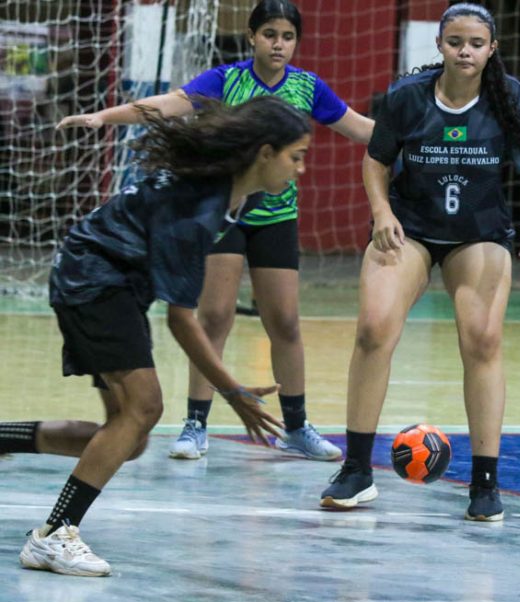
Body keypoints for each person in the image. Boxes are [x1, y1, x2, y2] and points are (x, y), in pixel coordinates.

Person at [0, 95, 309, 576]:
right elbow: (182, 320)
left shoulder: (229, 193)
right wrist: (234, 392)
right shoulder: (201, 209)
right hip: (95, 281)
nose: (301, 169)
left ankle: (3, 438)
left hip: (106, 280)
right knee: (145, 408)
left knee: (131, 435)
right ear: (265, 153)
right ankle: (54, 536)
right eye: (296, 156)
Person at [57, 0, 374, 462]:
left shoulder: (309, 87)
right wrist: (106, 116)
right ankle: (195, 423)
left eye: (287, 36)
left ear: (297, 42)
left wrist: (423, 134)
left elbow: (363, 130)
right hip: (226, 218)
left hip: (276, 218)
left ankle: (297, 425)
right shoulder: (227, 80)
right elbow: (169, 105)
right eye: (269, 34)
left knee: (284, 321)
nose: (278, 44)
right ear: (252, 36)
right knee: (213, 317)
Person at [317, 3, 520, 521]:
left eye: (475, 43)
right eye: (455, 42)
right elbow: (375, 161)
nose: (464, 51)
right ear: (440, 45)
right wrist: (380, 212)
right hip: (412, 227)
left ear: (492, 48)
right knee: (374, 328)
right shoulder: (407, 96)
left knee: (483, 339)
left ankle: (485, 481)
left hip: (479, 233)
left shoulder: (511, 98)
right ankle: (357, 469)